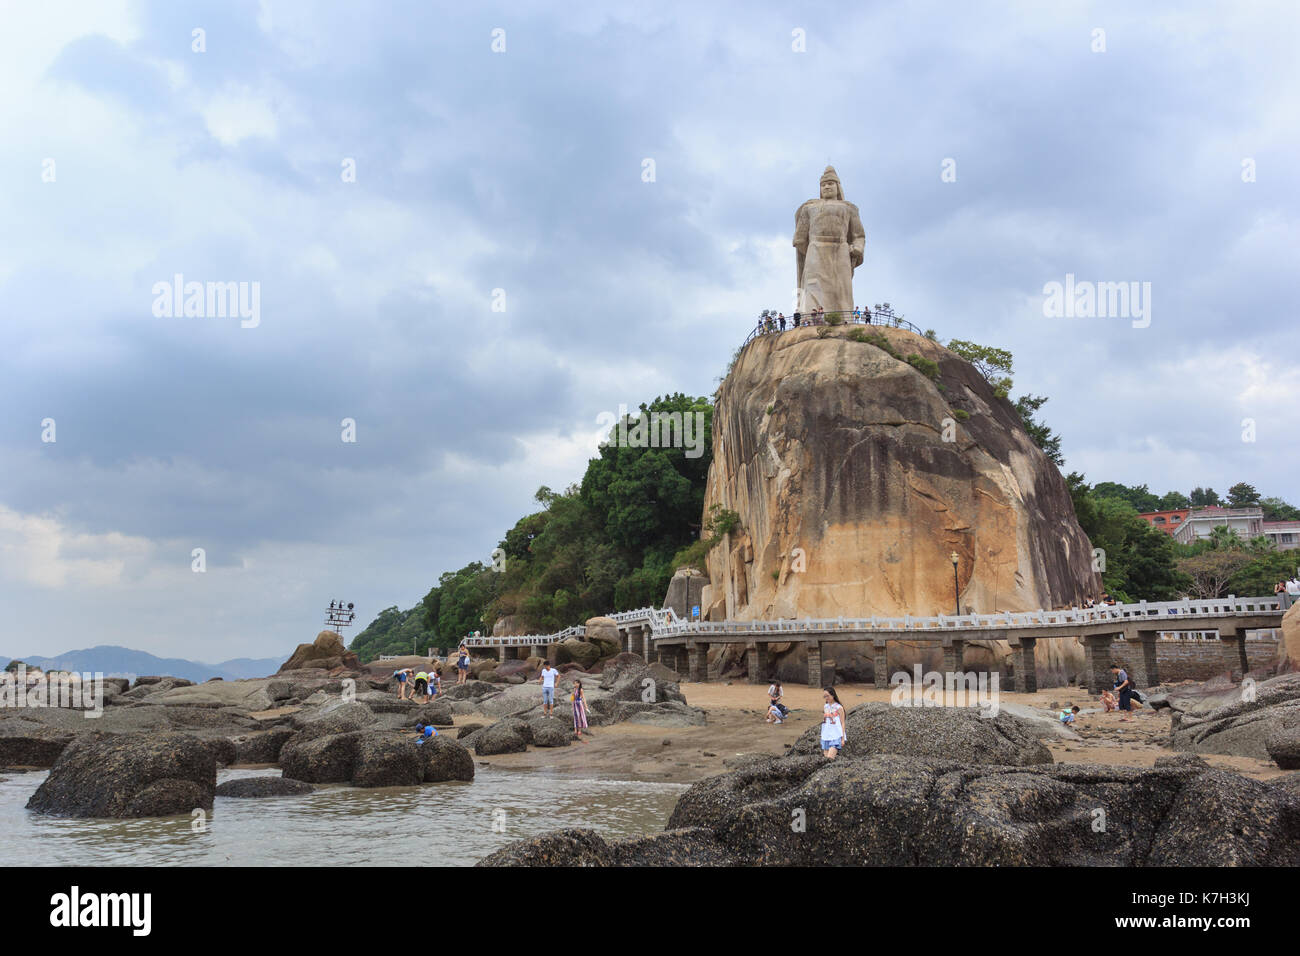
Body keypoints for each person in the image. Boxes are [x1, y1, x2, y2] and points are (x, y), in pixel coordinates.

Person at [820, 686, 846, 759]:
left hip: (836, 735)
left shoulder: (839, 707)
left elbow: (842, 723)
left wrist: (843, 738)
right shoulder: (825, 706)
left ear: (833, 695)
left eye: (827, 696)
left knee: (830, 758)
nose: (826, 698)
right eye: (824, 696)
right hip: (826, 735)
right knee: (825, 760)